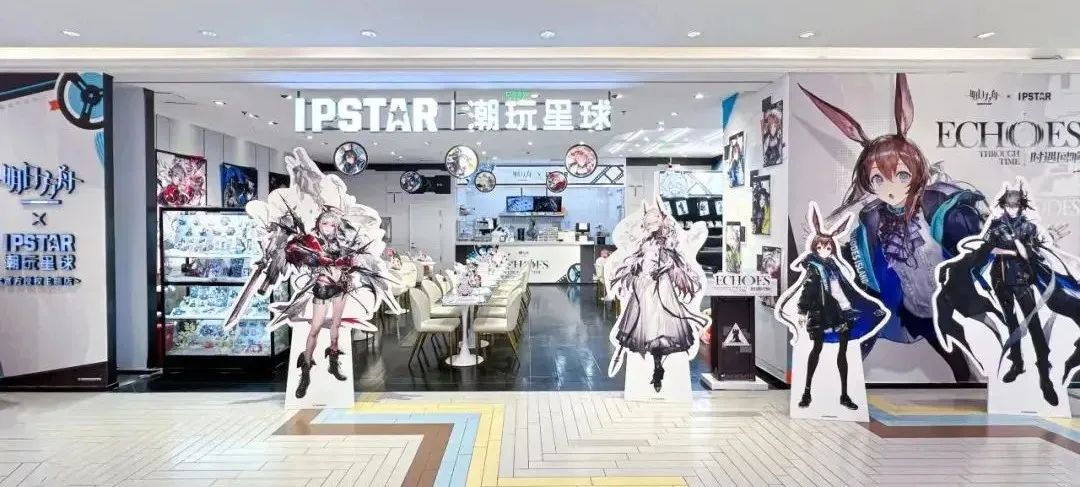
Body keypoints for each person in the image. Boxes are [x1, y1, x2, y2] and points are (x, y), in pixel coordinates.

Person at [800, 73, 985, 382]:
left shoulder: (941, 207)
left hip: (951, 303)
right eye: (877, 179)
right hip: (910, 306)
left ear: (916, 170)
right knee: (863, 337)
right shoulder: (873, 218)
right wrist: (826, 249)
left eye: (900, 175)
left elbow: (976, 248)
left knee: (969, 356)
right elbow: (858, 256)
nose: (890, 187)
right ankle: (833, 387)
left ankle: (985, 388)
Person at [608, 203, 710, 392]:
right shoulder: (644, 242)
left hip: (661, 288)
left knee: (661, 327)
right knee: (645, 328)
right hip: (643, 288)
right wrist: (635, 269)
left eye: (654, 222)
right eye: (649, 223)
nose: (651, 226)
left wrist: (663, 268)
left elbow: (673, 261)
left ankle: (658, 369)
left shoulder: (667, 242)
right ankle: (656, 368)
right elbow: (637, 260)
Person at [284, 209, 357, 398]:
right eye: (325, 223)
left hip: (342, 286)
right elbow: (295, 253)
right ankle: (305, 373)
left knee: (336, 325)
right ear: (319, 223)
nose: (329, 228)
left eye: (333, 224)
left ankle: (333, 362)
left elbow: (352, 261)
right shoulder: (311, 240)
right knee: (315, 328)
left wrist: (349, 262)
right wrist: (317, 259)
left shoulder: (342, 241)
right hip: (324, 287)